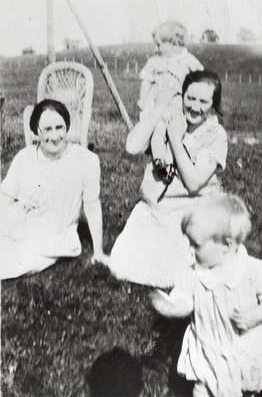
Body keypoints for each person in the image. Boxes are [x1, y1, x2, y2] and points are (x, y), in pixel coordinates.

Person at [150, 193, 262, 397]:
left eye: (196, 245)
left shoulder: (251, 271)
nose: (190, 251)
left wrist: (257, 315)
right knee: (202, 390)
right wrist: (172, 307)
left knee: (243, 391)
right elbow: (184, 299)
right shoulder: (193, 274)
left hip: (242, 350)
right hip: (208, 348)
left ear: (226, 246)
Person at [109, 70, 228, 288]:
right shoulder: (171, 117)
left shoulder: (215, 135)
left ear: (213, 104)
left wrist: (174, 138)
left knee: (182, 274)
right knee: (121, 267)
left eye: (203, 101)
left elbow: (193, 184)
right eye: (190, 98)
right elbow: (132, 147)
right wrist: (160, 106)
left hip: (192, 210)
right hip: (155, 208)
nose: (194, 106)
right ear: (181, 96)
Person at [0, 99, 108, 280]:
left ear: (67, 127)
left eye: (60, 127)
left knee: (9, 263)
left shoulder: (86, 161)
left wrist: (99, 252)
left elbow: (92, 208)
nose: (55, 136)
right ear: (36, 130)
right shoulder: (24, 157)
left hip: (53, 237)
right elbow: (5, 198)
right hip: (19, 225)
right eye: (48, 130)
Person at [138, 21, 203, 199]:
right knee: (158, 132)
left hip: (180, 108)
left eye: (159, 44)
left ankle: (175, 165)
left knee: (177, 136)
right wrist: (143, 102)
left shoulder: (188, 61)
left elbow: (201, 79)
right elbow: (146, 80)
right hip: (160, 107)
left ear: (174, 43)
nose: (156, 48)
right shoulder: (155, 62)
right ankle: (160, 162)